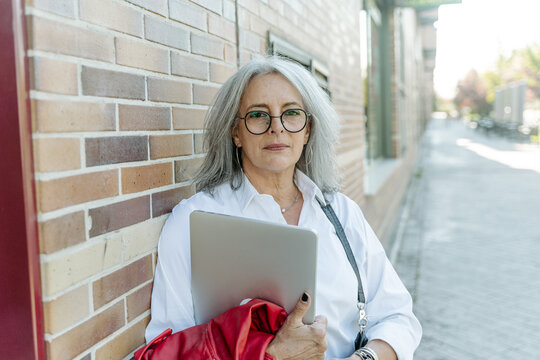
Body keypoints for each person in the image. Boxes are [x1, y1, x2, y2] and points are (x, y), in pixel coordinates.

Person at [145, 56, 421, 360]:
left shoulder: (342, 214)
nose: (276, 127)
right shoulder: (192, 222)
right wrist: (266, 354)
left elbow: (399, 318)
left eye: (291, 113)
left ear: (307, 130)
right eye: (258, 115)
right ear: (235, 132)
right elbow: (165, 349)